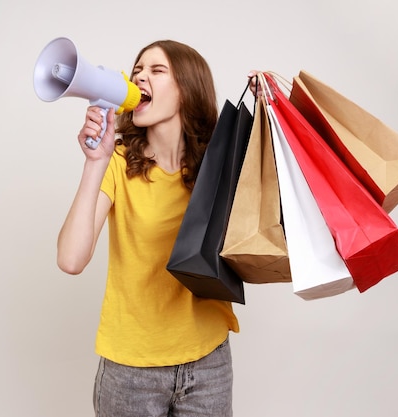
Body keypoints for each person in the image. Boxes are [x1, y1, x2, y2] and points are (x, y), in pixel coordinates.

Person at [57, 40, 253, 417]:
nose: (140, 76)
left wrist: (269, 109)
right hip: (131, 370)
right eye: (137, 71)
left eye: (157, 70)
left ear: (188, 89)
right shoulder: (116, 162)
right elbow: (70, 259)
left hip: (208, 361)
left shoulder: (219, 164)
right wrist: (94, 163)